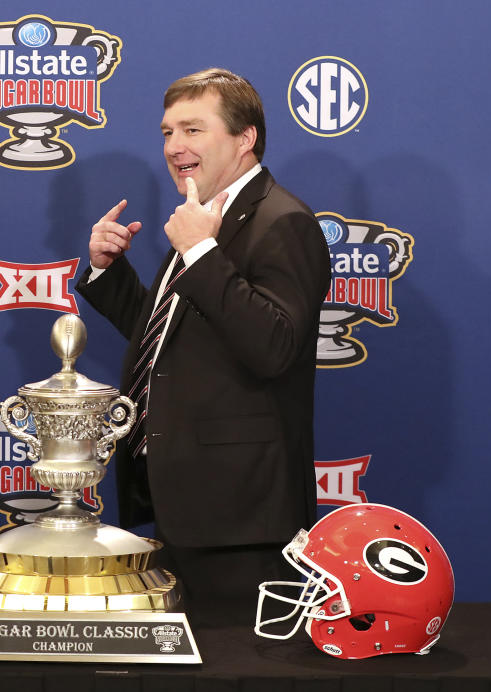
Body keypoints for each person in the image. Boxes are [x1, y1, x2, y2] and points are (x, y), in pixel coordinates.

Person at [76, 68, 331, 624]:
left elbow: (273, 347)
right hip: (181, 502)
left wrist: (201, 254)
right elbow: (174, 345)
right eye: (168, 132)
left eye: (192, 130)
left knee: (237, 667)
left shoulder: (282, 221)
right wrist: (106, 273)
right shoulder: (203, 215)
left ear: (246, 139)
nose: (174, 147)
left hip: (241, 519)